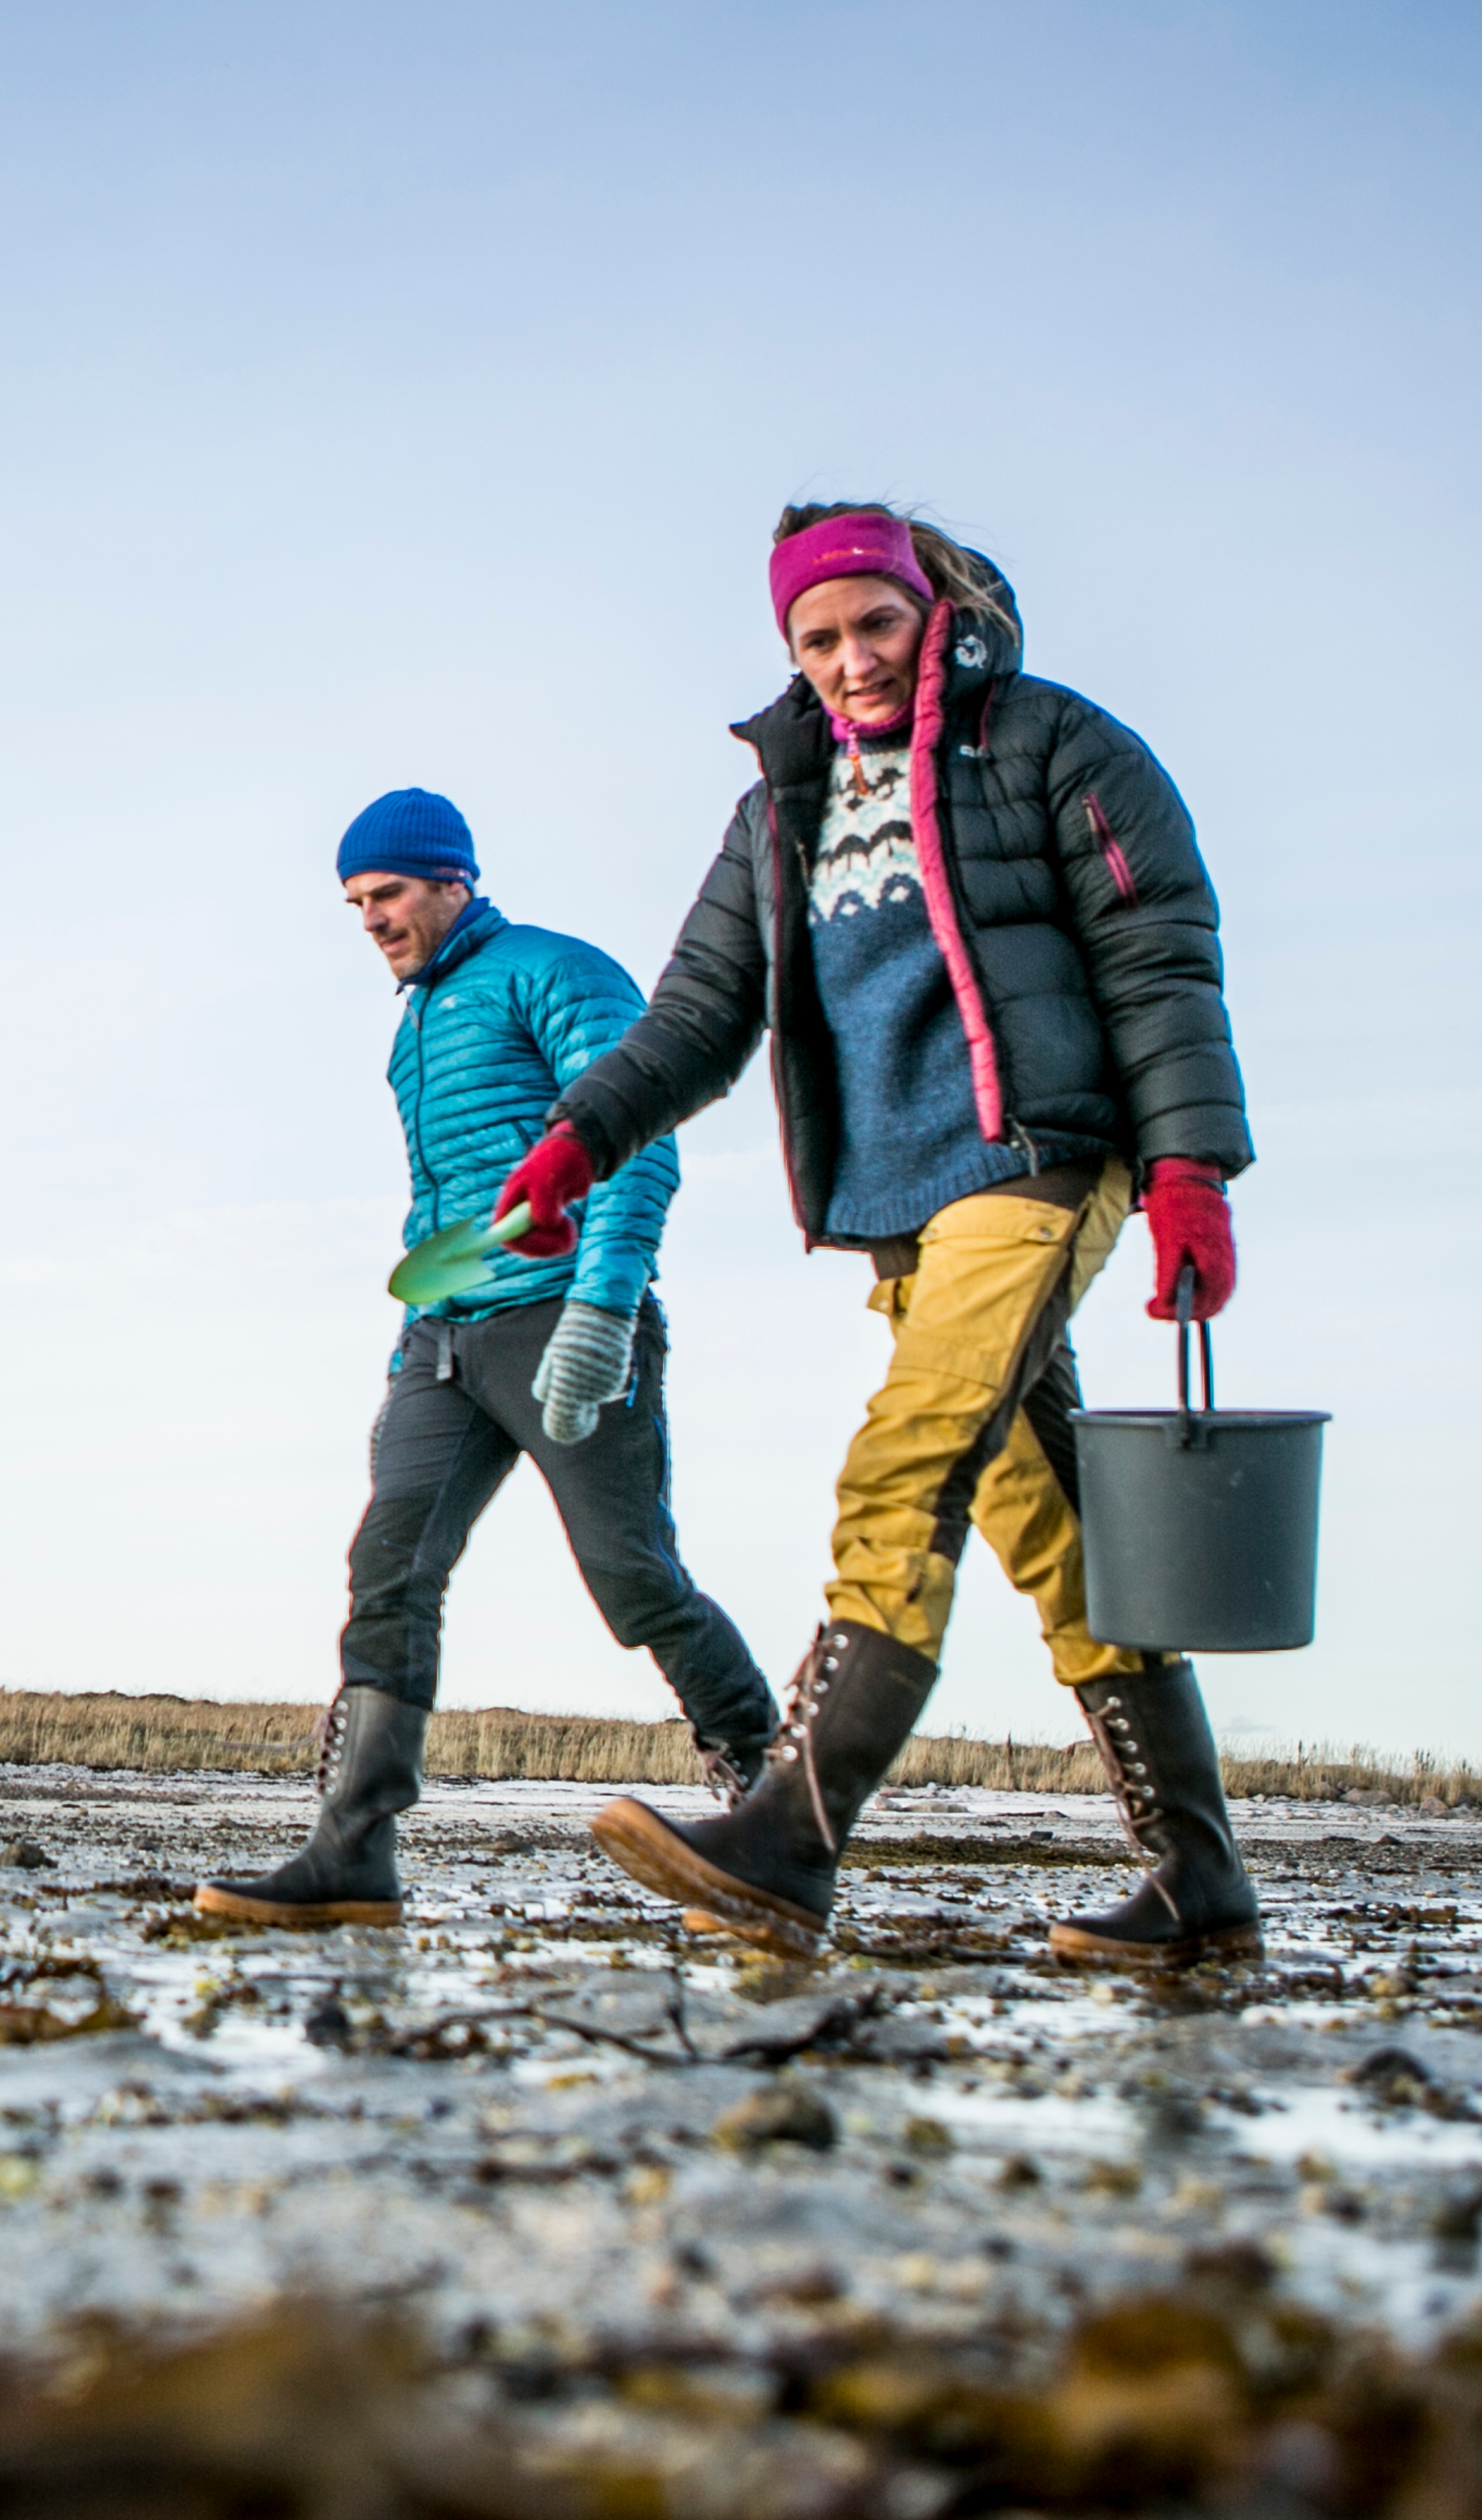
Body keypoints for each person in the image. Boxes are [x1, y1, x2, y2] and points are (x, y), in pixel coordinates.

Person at [489, 510, 1260, 1971]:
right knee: (1058, 1534)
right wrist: (582, 1134)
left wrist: (1187, 1173)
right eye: (817, 638)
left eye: (874, 627)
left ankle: (790, 1836)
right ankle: (1199, 1886)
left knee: (903, 1467)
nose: (850, 661)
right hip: (900, 1213)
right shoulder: (781, 804)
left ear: (932, 613)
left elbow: (1159, 957)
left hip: (1032, 1167)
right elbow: (701, 1015)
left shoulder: (1050, 746)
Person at [194, 788, 776, 1928]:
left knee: (632, 1575)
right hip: (445, 1338)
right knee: (390, 1564)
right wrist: (421, 1313)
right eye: (355, 902)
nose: (371, 919)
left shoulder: (552, 971)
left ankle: (770, 1798)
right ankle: (353, 1849)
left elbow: (633, 1139)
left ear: (453, 878)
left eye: (390, 893)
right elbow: (445, 1200)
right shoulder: (412, 1024)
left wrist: (604, 1309)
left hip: (563, 1317)